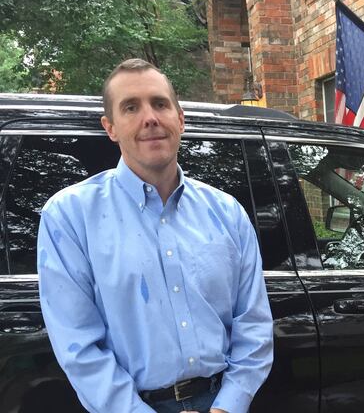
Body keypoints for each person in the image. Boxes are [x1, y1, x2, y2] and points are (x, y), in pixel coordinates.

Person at [37, 58, 273, 413]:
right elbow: (78, 346)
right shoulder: (70, 216)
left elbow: (253, 324)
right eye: (131, 107)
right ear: (110, 127)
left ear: (180, 119)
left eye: (160, 103)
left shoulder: (228, 213)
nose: (150, 118)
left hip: (222, 402)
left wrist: (227, 406)